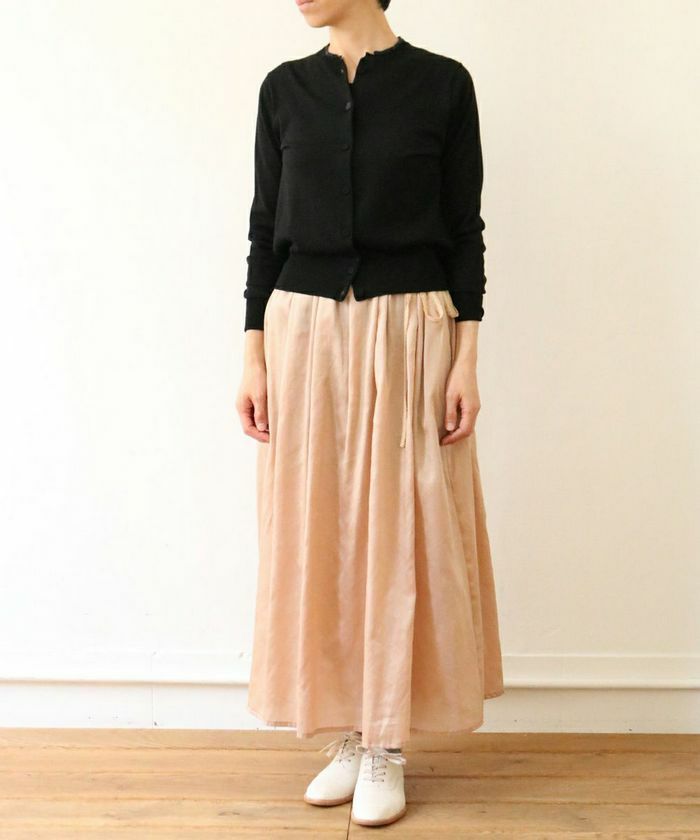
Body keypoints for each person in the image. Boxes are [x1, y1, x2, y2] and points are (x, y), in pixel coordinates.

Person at [236, 0, 504, 828]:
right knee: (323, 530)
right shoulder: (285, 90)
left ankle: (388, 742)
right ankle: (351, 732)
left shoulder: (442, 85)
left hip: (409, 328)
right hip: (304, 330)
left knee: (400, 531)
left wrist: (466, 357)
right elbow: (264, 230)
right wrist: (252, 355)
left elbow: (464, 230)